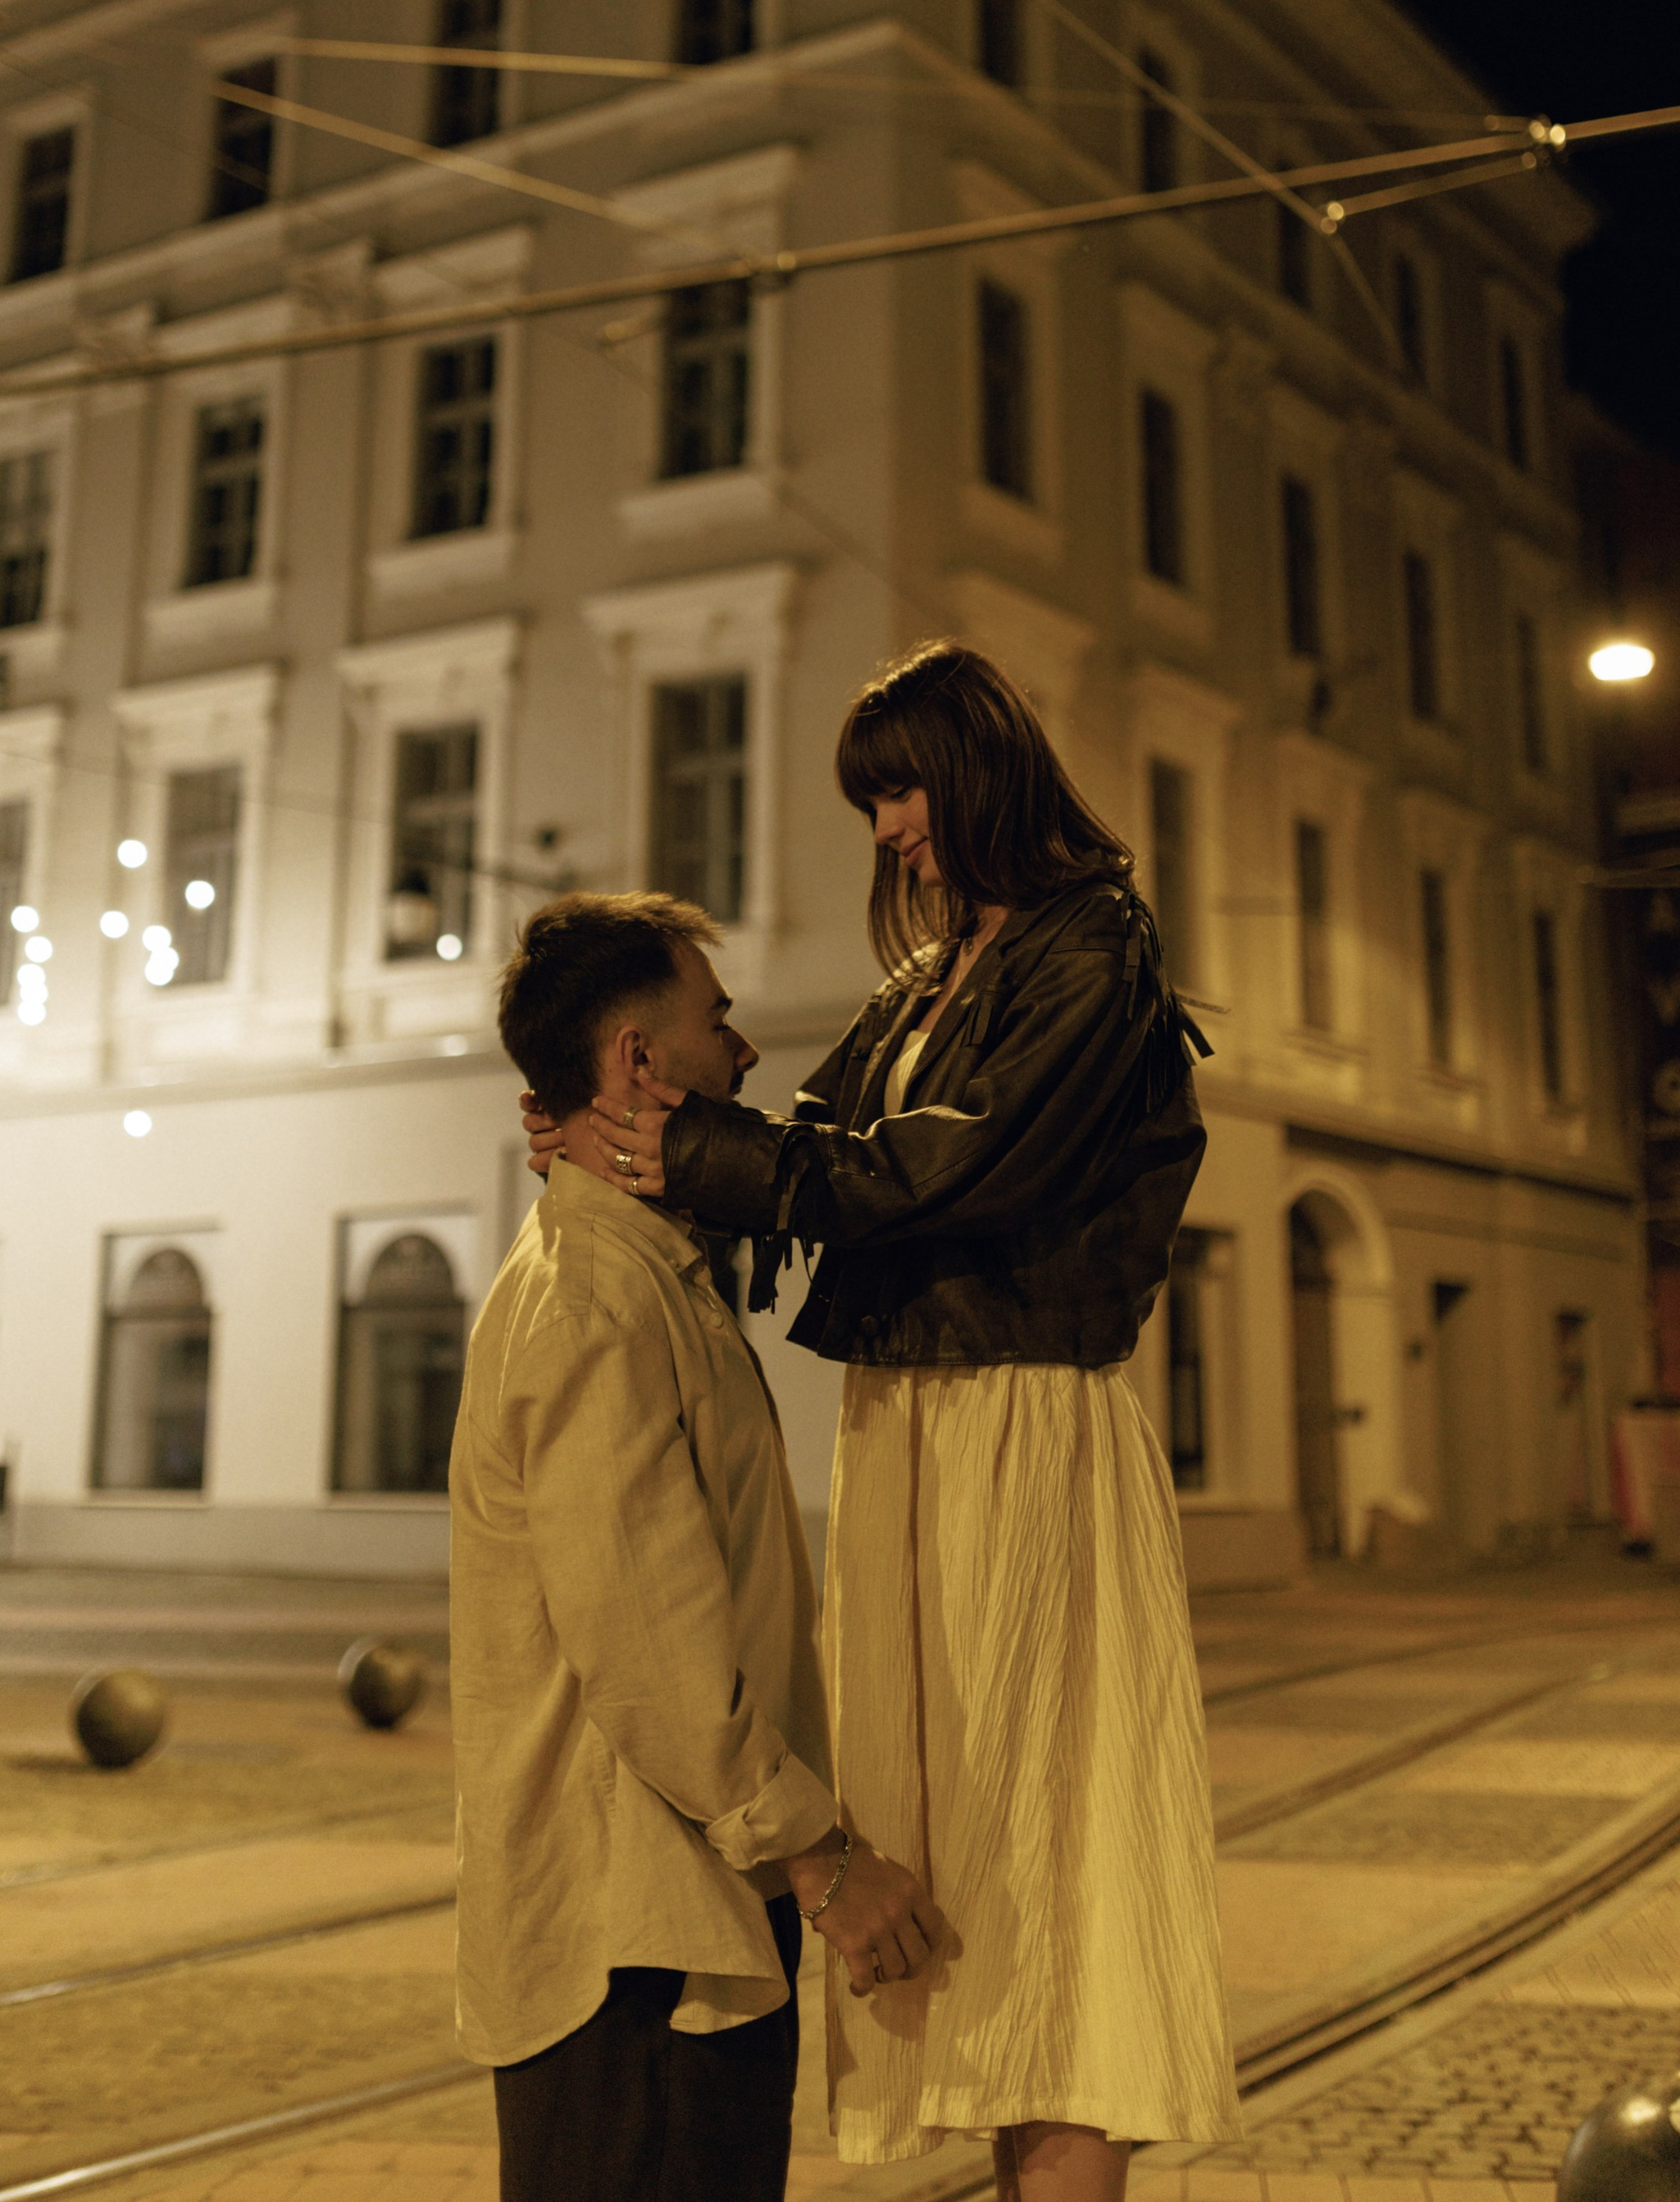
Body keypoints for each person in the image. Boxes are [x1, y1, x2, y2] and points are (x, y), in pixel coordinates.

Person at [541, 644, 1239, 2201]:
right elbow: (815, 1146)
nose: (889, 832)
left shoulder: (1093, 947)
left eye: (902, 789)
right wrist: (646, 1141)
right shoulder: (936, 977)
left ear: (977, 769)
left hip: (1022, 1430)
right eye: (875, 802)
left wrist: (680, 1141)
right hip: (915, 1433)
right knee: (975, 1911)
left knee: (1054, 1909)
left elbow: (935, 1171)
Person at [457, 889, 942, 2202]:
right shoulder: (595, 1304)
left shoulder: (639, 1273)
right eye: (716, 1024)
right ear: (637, 1062)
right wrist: (824, 1863)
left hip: (675, 1931)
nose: (743, 1058)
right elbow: (650, 1653)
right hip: (642, 1952)